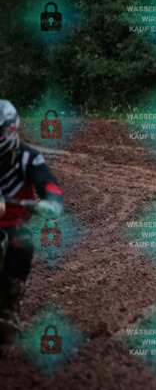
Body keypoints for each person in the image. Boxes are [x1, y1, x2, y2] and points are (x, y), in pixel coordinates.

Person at [0, 100, 63, 338]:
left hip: (13, 223)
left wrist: (52, 201)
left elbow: (49, 184)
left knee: (22, 243)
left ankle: (9, 310)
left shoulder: (28, 158)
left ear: (11, 129)